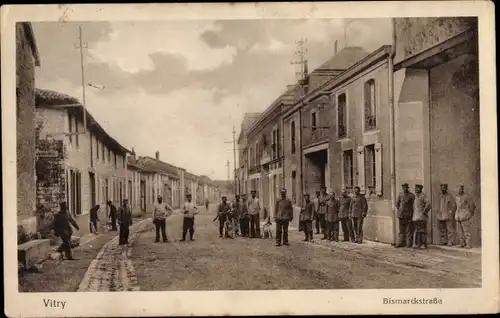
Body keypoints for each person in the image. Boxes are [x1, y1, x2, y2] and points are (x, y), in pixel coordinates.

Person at [455, 184, 476, 249]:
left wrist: (470, 214)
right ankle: (462, 244)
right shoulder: (456, 197)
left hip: (465, 216)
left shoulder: (467, 197)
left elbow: (472, 206)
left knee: (466, 231)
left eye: (460, 189)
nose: (459, 190)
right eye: (458, 189)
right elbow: (457, 206)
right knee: (459, 232)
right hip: (458, 216)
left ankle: (468, 245)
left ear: (462, 189)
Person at [395, 183, 415, 248]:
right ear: (402, 188)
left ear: (407, 188)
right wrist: (400, 210)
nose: (404, 189)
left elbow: (413, 205)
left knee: (408, 230)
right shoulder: (400, 195)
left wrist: (410, 212)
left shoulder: (411, 195)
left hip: (408, 215)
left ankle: (408, 244)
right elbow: (397, 204)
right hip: (401, 215)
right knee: (401, 230)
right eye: (403, 188)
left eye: (406, 187)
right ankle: (400, 243)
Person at [413, 184, 431, 249]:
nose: (415, 189)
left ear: (420, 189)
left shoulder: (423, 196)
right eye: (415, 188)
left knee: (422, 231)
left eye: (417, 188)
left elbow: (428, 204)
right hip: (416, 217)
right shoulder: (415, 196)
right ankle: (417, 244)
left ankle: (423, 244)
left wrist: (424, 212)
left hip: (422, 217)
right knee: (417, 231)